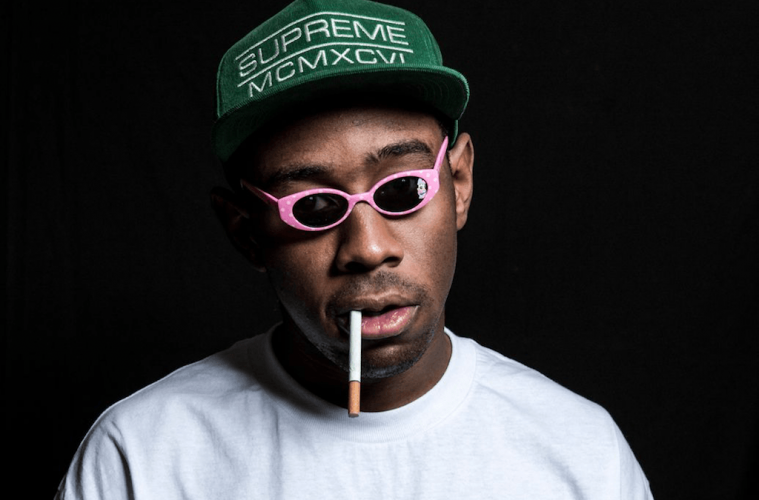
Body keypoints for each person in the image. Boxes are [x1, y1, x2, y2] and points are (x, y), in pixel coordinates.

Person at [55, 0, 654, 498]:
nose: (367, 248)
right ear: (245, 231)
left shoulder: (580, 452)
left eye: (402, 190)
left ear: (459, 183)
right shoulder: (142, 457)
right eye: (314, 206)